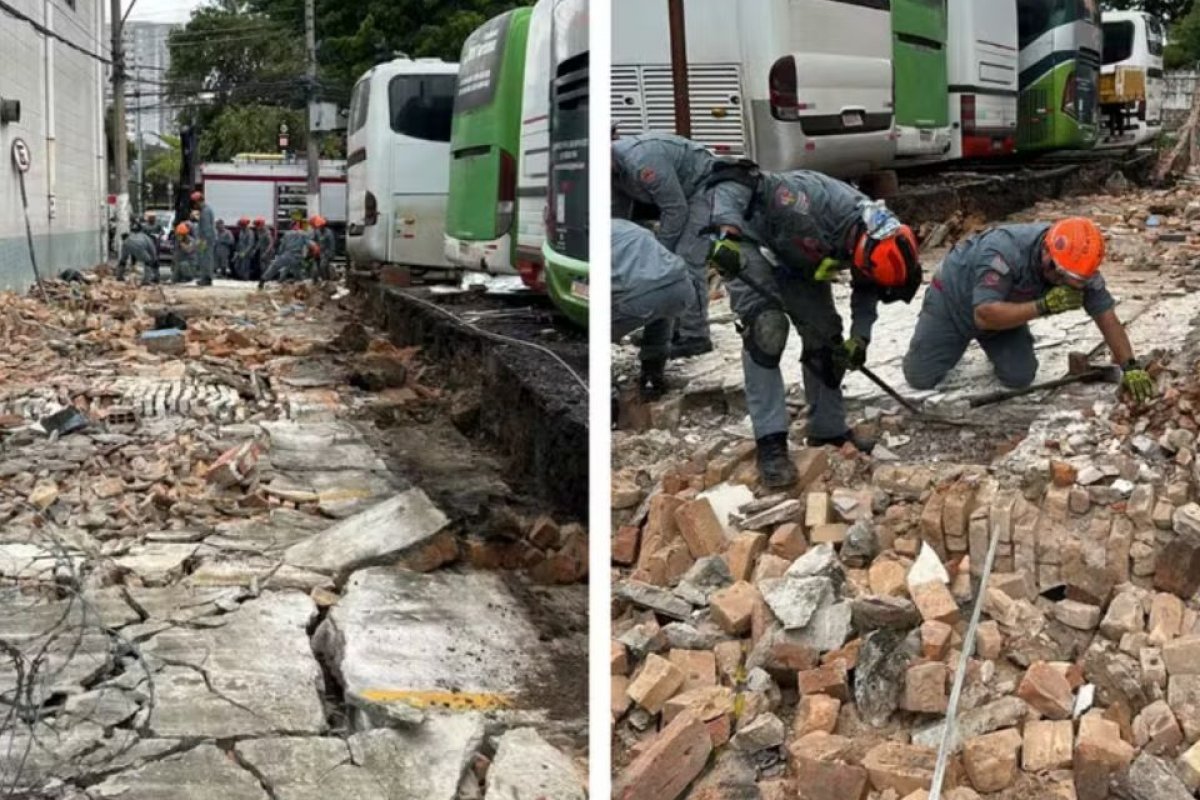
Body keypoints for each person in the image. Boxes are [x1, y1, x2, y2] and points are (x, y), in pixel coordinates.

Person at [708, 167, 923, 487]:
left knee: (827, 341)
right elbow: (737, 177)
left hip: (798, 262)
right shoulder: (803, 200)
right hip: (750, 243)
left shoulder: (881, 233)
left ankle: (828, 431)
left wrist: (859, 339)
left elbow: (866, 289)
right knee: (767, 331)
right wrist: (727, 234)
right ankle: (771, 444)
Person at [902, 217, 1156, 404]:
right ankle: (941, 337)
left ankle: (993, 339)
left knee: (1020, 377)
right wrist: (1042, 306)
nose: (1064, 282)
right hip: (953, 303)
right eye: (1062, 276)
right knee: (920, 377)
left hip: (1002, 311)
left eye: (1072, 280)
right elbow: (983, 315)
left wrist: (1130, 366)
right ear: (1047, 253)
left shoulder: (1076, 266)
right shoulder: (1004, 251)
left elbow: (1106, 315)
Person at [612, 132, 717, 357]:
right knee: (659, 267)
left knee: (686, 259)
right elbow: (618, 220)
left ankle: (696, 336)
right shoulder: (612, 173)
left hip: (705, 188)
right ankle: (672, 330)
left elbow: (675, 209)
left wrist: (660, 250)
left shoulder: (642, 162)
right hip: (679, 197)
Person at [612, 218, 703, 399]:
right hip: (681, 287)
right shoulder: (627, 225)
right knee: (662, 311)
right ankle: (652, 377)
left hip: (641, 299)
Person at [190, 191, 216, 286]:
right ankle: (205, 277)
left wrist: (202, 241)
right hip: (205, 239)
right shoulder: (206, 210)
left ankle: (207, 278)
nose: (194, 206)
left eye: (195, 203)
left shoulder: (205, 211)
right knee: (203, 258)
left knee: (206, 258)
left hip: (205, 239)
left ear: (198, 201)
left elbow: (206, 228)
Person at [309, 215, 336, 282]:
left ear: (323, 225)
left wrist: (330, 255)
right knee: (315, 269)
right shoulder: (317, 232)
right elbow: (312, 239)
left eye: (321, 226)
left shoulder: (329, 233)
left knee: (323, 266)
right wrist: (313, 246)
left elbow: (332, 245)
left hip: (326, 253)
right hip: (318, 253)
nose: (320, 227)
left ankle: (326, 281)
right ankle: (316, 282)